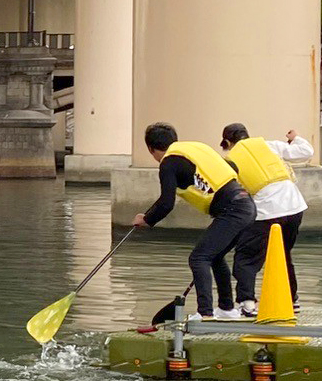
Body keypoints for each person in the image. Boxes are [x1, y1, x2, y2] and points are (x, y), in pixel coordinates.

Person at [133, 122, 257, 321]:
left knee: (198, 258)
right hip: (247, 204)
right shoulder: (196, 148)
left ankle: (205, 314)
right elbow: (231, 167)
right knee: (215, 256)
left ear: (151, 148)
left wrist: (147, 220)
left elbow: (166, 203)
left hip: (232, 210)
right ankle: (226, 309)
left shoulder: (168, 162)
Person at [222, 123, 313, 313]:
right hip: (294, 206)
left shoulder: (230, 159)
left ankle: (247, 303)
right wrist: (295, 137)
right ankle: (291, 300)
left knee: (246, 257)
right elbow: (306, 151)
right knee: (282, 254)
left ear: (228, 142)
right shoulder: (268, 145)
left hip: (267, 211)